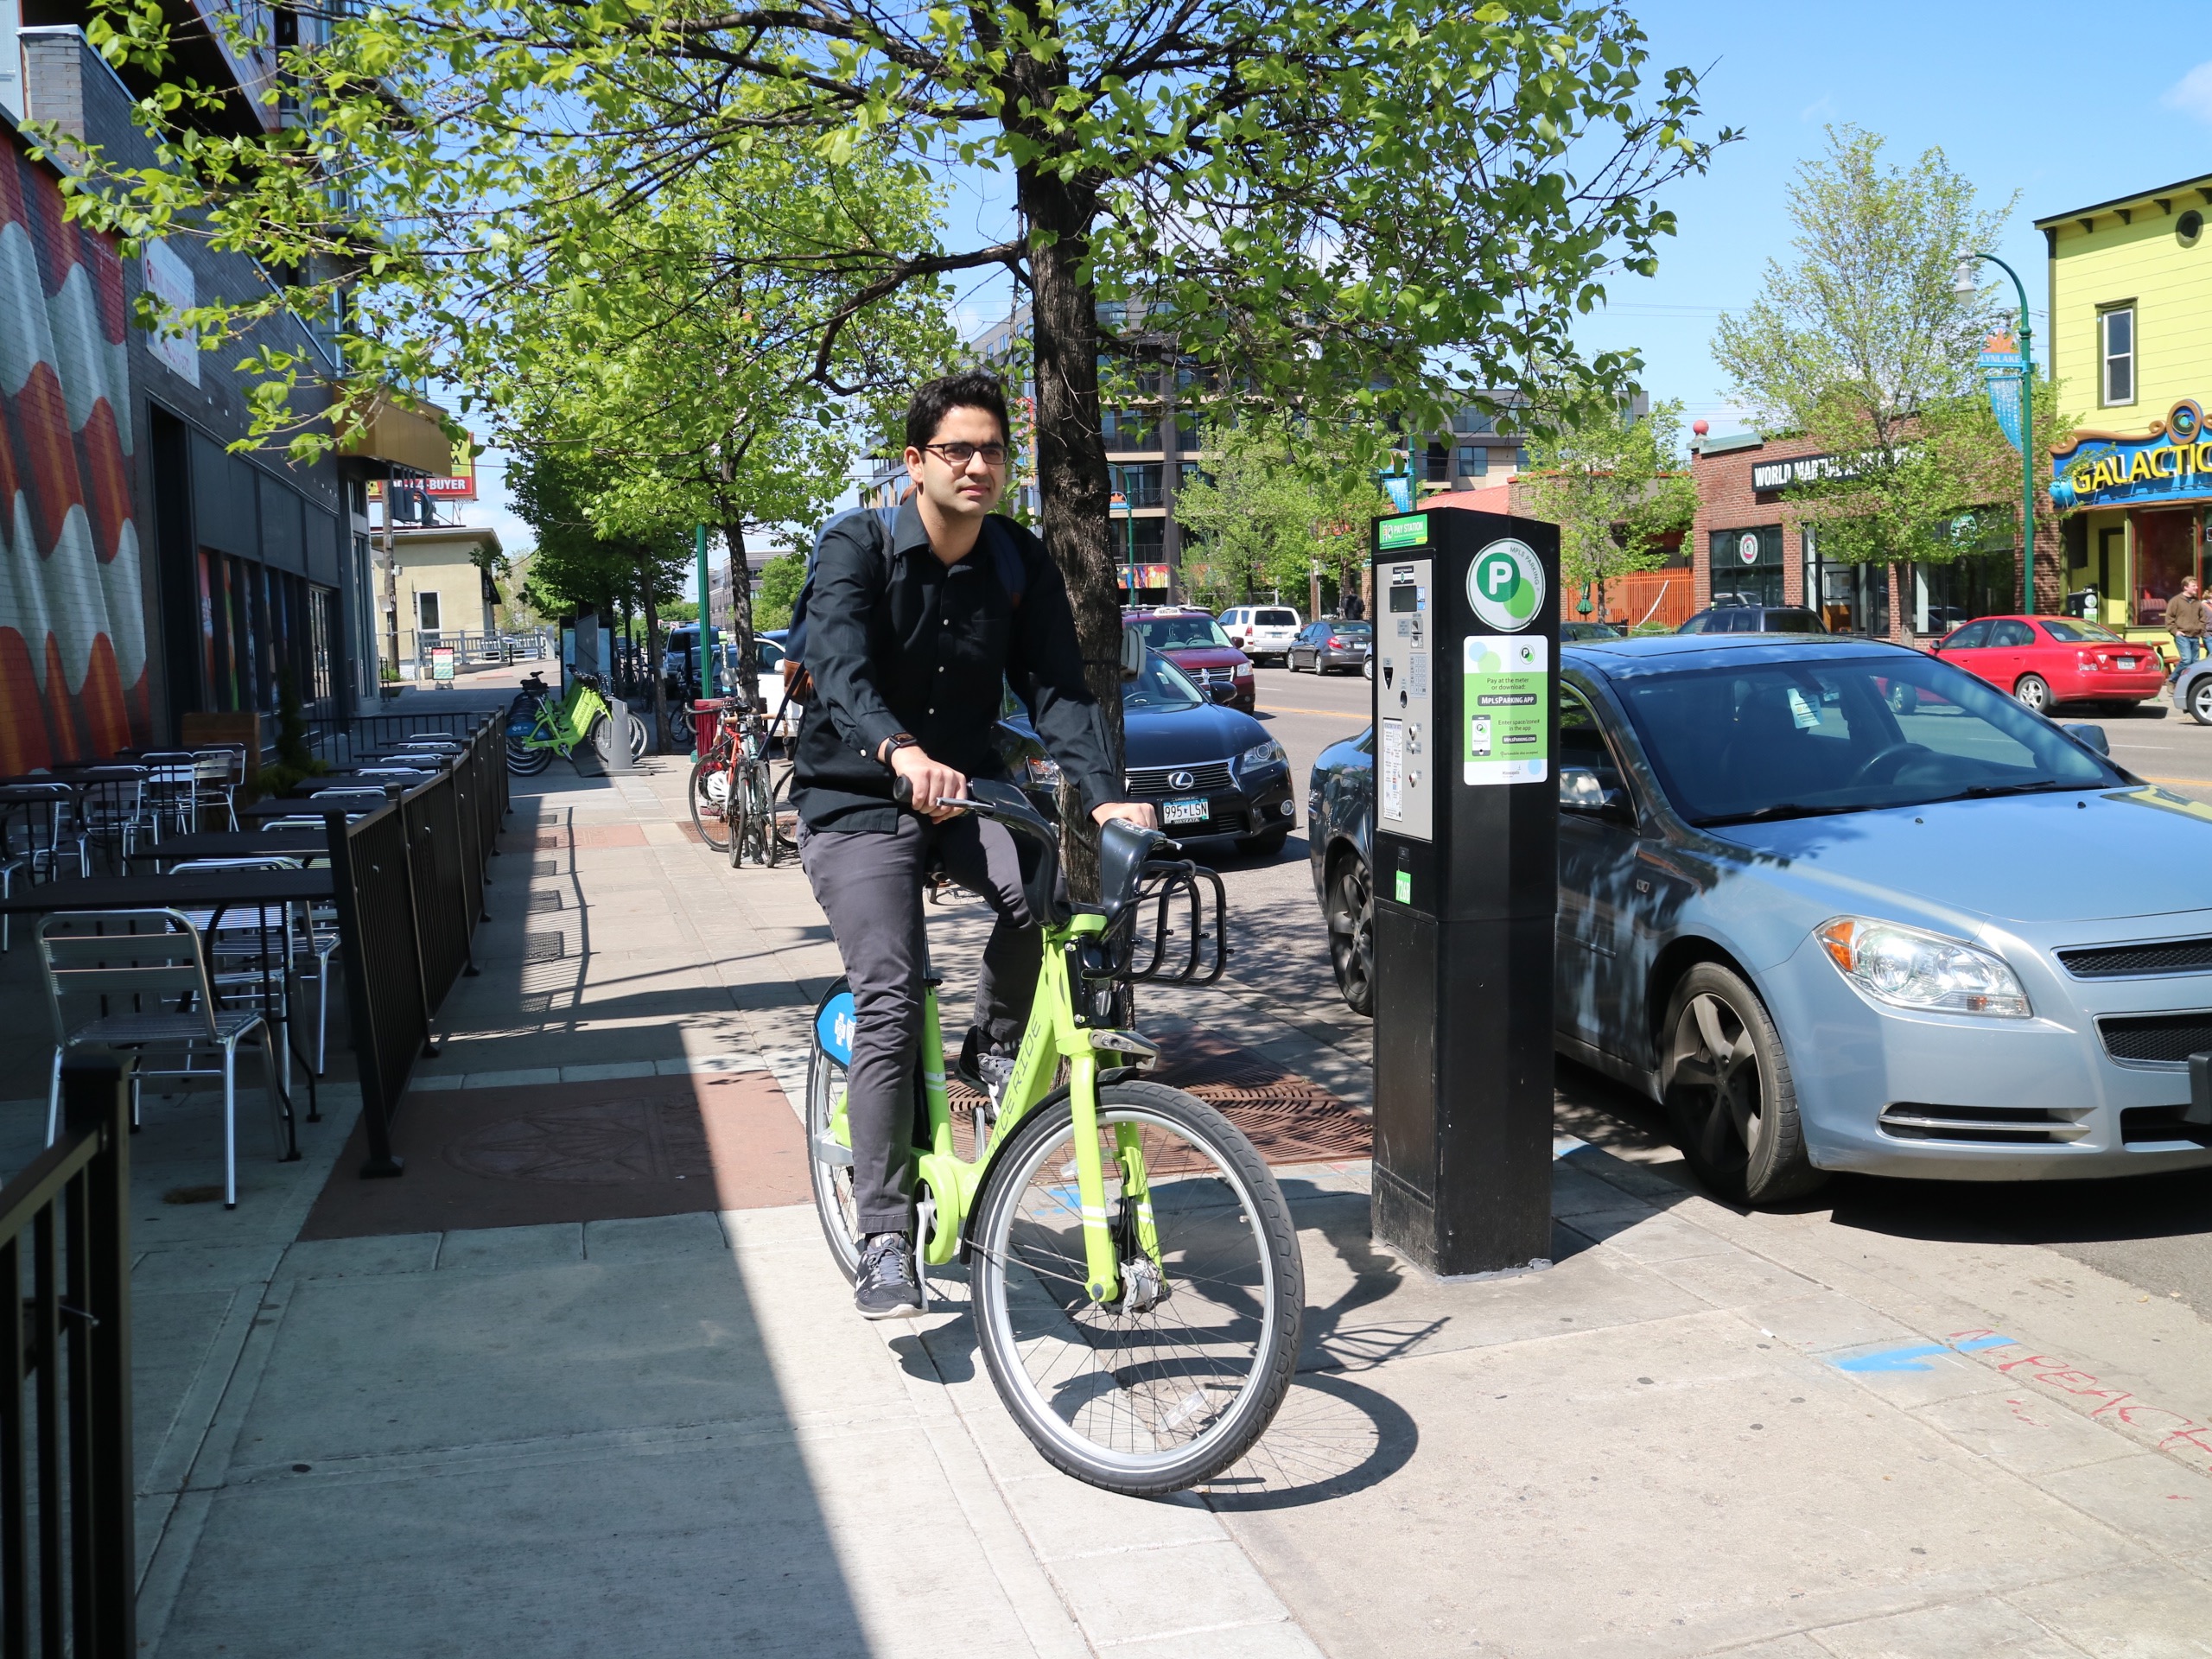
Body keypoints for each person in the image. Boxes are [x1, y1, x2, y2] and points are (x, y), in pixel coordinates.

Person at [794, 372, 1159, 1319]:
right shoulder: (858, 545)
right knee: (889, 988)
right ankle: (883, 1234)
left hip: (962, 789)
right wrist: (897, 748)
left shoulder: (1015, 558)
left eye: (992, 450)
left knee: (1044, 906)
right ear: (914, 463)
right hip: (859, 795)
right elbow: (836, 664)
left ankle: (990, 1048)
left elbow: (1059, 688)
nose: (978, 466)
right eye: (956, 449)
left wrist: (1106, 797)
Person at [2168, 577, 2205, 682]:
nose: (2196, 588)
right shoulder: (2175, 601)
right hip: (2182, 635)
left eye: (2196, 585)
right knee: (2186, 660)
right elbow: (2169, 619)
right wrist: (2176, 632)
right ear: (2185, 587)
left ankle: (2189, 684)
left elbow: (2203, 618)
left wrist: (2200, 630)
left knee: (2194, 663)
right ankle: (2173, 680)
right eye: (2193, 586)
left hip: (2195, 636)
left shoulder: (2197, 602)